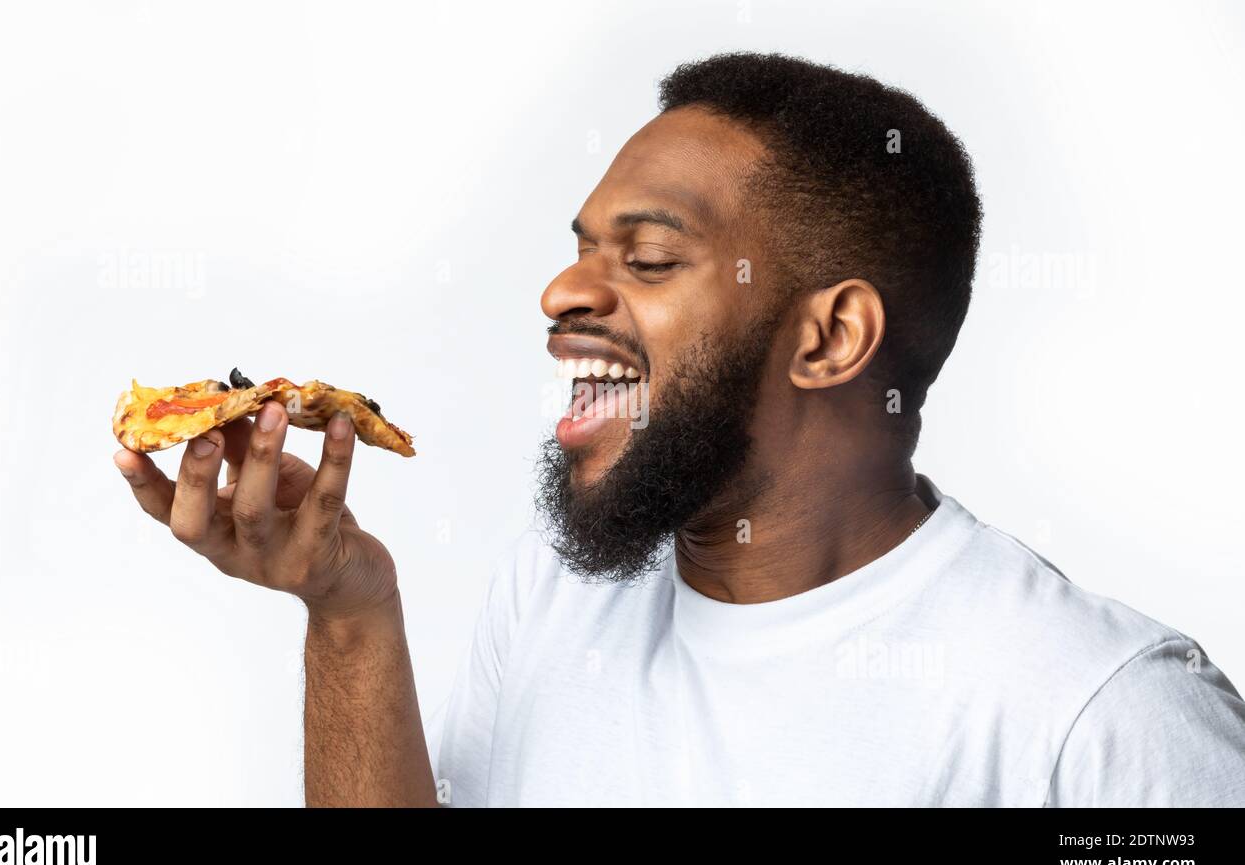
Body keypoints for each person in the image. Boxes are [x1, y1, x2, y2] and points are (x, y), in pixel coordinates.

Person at [113, 52, 1245, 807]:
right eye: (580, 247)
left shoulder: (1103, 718)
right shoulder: (553, 599)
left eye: (646, 259)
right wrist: (349, 610)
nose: (561, 291)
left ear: (832, 336)